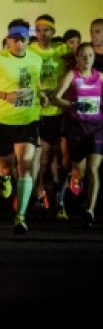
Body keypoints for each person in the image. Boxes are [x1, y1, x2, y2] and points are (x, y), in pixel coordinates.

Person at [0, 19, 43, 234]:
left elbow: (35, 84)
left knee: (25, 164)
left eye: (22, 40)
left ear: (27, 40)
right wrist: (5, 96)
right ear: (8, 40)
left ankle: (20, 216)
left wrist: (41, 96)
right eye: (14, 40)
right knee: (6, 165)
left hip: (28, 120)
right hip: (3, 121)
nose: (18, 44)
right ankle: (4, 176)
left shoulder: (36, 59)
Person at [51, 43, 102, 227]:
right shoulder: (72, 75)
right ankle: (75, 179)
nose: (87, 58)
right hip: (76, 128)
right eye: (83, 55)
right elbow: (55, 97)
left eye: (90, 55)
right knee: (79, 170)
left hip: (97, 128)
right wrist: (73, 105)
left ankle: (90, 210)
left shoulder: (101, 77)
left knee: (93, 169)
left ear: (94, 58)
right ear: (77, 58)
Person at [27, 14, 71, 215]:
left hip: (58, 111)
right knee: (42, 157)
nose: (42, 34)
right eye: (39, 30)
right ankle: (39, 192)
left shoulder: (63, 50)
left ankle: (58, 195)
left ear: (53, 32)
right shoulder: (29, 50)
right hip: (37, 110)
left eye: (46, 30)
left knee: (59, 158)